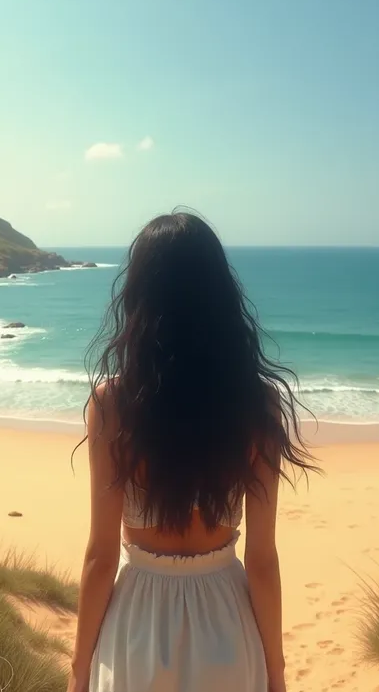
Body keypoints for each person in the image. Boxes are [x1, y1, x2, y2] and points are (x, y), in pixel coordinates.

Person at [67, 211, 316, 692]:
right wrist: (277, 673)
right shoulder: (255, 404)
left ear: (139, 298)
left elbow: (100, 557)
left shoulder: (113, 406)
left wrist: (79, 671)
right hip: (227, 621)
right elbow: (262, 559)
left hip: (137, 626)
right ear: (221, 296)